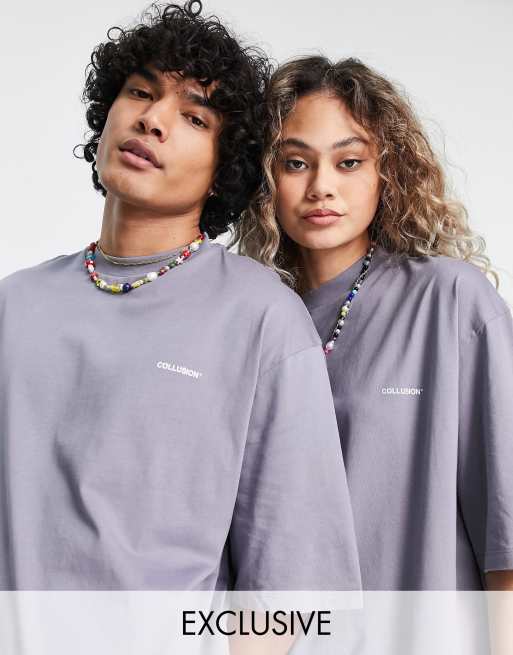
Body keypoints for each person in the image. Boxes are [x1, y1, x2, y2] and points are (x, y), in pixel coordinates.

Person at [0, 6, 362, 596]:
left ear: (225, 167)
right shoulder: (15, 304)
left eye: (194, 117)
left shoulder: (261, 320)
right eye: (140, 92)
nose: (152, 120)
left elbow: (298, 585)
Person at [234, 55, 513, 591]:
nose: (321, 187)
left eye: (348, 162)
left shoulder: (448, 301)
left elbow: (505, 534)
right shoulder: (252, 321)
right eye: (295, 163)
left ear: (388, 171)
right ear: (265, 179)